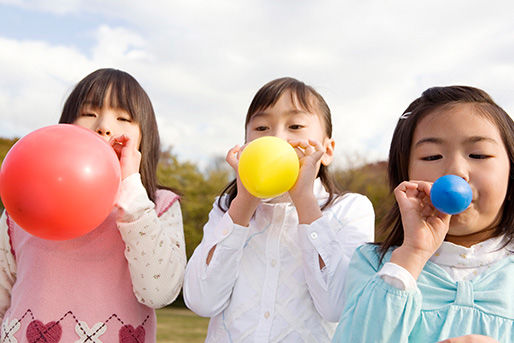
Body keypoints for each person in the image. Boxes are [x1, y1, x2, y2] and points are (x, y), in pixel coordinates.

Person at [0, 68, 186, 342]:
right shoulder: (23, 205)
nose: (104, 126)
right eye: (89, 113)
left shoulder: (157, 206)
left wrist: (132, 193)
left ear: (143, 137)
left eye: (123, 118)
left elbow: (159, 292)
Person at [184, 77, 375, 342]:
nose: (277, 139)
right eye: (262, 127)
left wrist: (304, 200)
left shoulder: (350, 209)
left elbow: (337, 305)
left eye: (295, 126)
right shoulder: (226, 208)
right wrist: (245, 202)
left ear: (327, 150)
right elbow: (201, 301)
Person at [333, 86, 514, 343]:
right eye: (432, 156)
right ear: (405, 175)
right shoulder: (374, 265)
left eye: (478, 154)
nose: (455, 172)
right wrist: (412, 255)